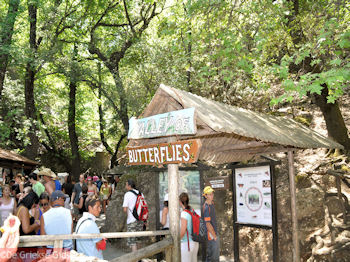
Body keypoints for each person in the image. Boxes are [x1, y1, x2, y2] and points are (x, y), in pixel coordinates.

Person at [122, 179, 144, 252]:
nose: (125, 186)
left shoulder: (127, 194)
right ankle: (140, 257)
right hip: (140, 220)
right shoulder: (140, 193)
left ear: (129, 186)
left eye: (126, 185)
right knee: (139, 240)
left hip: (131, 220)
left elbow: (125, 209)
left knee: (133, 241)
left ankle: (135, 259)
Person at [179, 192, 199, 262]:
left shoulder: (184, 213)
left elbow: (183, 230)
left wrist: (177, 239)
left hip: (186, 244)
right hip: (195, 242)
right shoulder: (192, 210)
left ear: (180, 202)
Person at [203, 186, 220, 262]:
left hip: (214, 234)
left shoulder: (212, 204)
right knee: (211, 257)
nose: (212, 195)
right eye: (209, 194)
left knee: (214, 256)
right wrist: (214, 236)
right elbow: (208, 224)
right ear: (205, 196)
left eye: (212, 193)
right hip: (211, 235)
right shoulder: (206, 207)